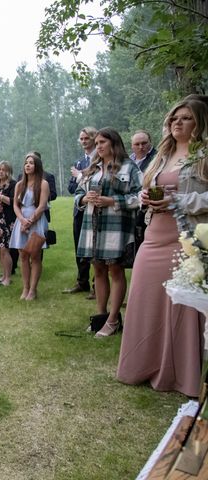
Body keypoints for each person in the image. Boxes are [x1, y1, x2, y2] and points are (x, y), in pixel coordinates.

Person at [117, 98, 208, 397]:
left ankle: (181, 376)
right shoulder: (162, 156)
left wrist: (178, 200)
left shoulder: (204, 156)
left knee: (182, 307)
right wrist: (145, 197)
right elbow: (147, 188)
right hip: (155, 235)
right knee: (145, 296)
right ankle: (142, 365)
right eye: (173, 119)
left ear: (200, 123)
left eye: (186, 118)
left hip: (187, 237)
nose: (177, 123)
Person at [74, 128, 142, 337]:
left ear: (114, 143)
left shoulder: (128, 167)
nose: (98, 146)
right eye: (97, 143)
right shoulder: (93, 167)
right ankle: (101, 317)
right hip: (92, 225)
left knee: (115, 270)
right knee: (99, 270)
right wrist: (84, 199)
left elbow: (139, 195)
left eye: (102, 142)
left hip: (116, 226)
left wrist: (113, 201)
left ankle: (113, 320)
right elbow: (78, 192)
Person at [9, 153, 50, 301]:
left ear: (37, 166)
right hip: (21, 221)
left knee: (35, 255)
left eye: (31, 163)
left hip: (36, 221)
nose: (28, 165)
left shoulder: (43, 184)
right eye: (26, 163)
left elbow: (42, 206)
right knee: (23, 256)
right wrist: (21, 219)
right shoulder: (19, 185)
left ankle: (33, 289)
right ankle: (25, 288)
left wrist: (29, 221)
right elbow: (15, 204)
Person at [63, 127, 97, 295]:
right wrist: (80, 176)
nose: (83, 141)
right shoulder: (79, 162)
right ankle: (82, 281)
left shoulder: (100, 159)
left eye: (86, 138)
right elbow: (70, 187)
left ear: (94, 139)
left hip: (96, 208)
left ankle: (97, 286)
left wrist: (80, 177)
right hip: (80, 209)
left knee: (95, 247)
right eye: (81, 139)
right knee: (80, 247)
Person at [130, 130, 158, 251]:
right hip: (129, 209)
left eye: (144, 143)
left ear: (150, 143)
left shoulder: (158, 158)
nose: (141, 147)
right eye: (137, 144)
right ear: (132, 145)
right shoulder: (128, 160)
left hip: (148, 210)